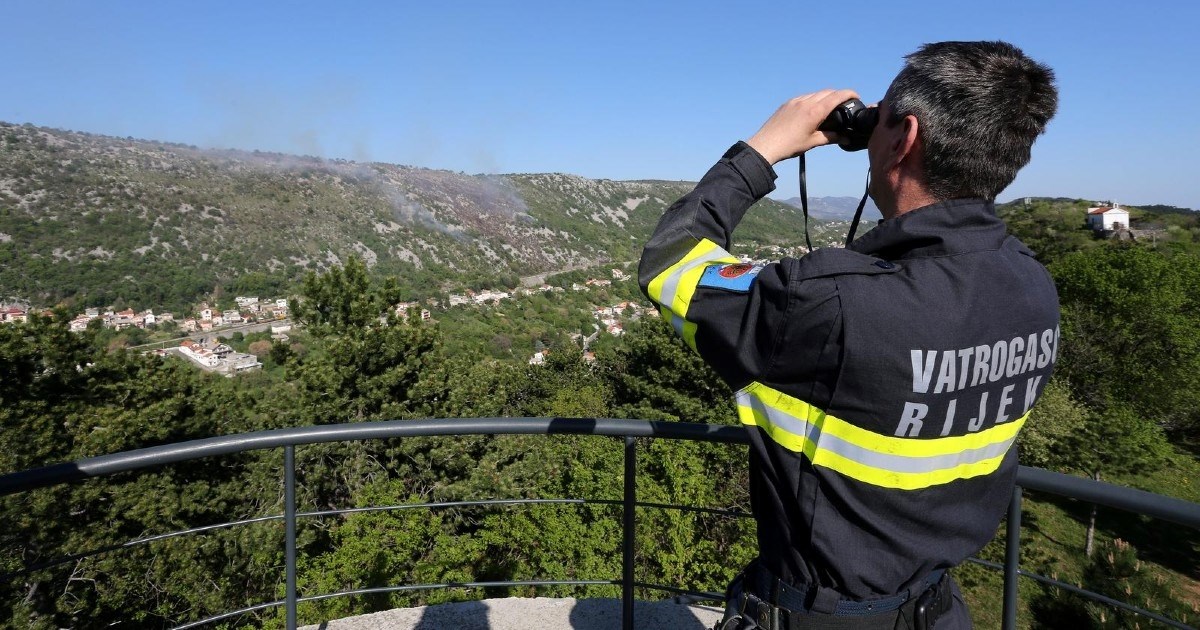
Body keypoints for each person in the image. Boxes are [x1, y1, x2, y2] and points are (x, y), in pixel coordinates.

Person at [638, 41, 1059, 629]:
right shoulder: (1032, 285)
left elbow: (669, 265)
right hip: (938, 611)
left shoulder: (831, 305)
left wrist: (761, 151)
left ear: (904, 137)